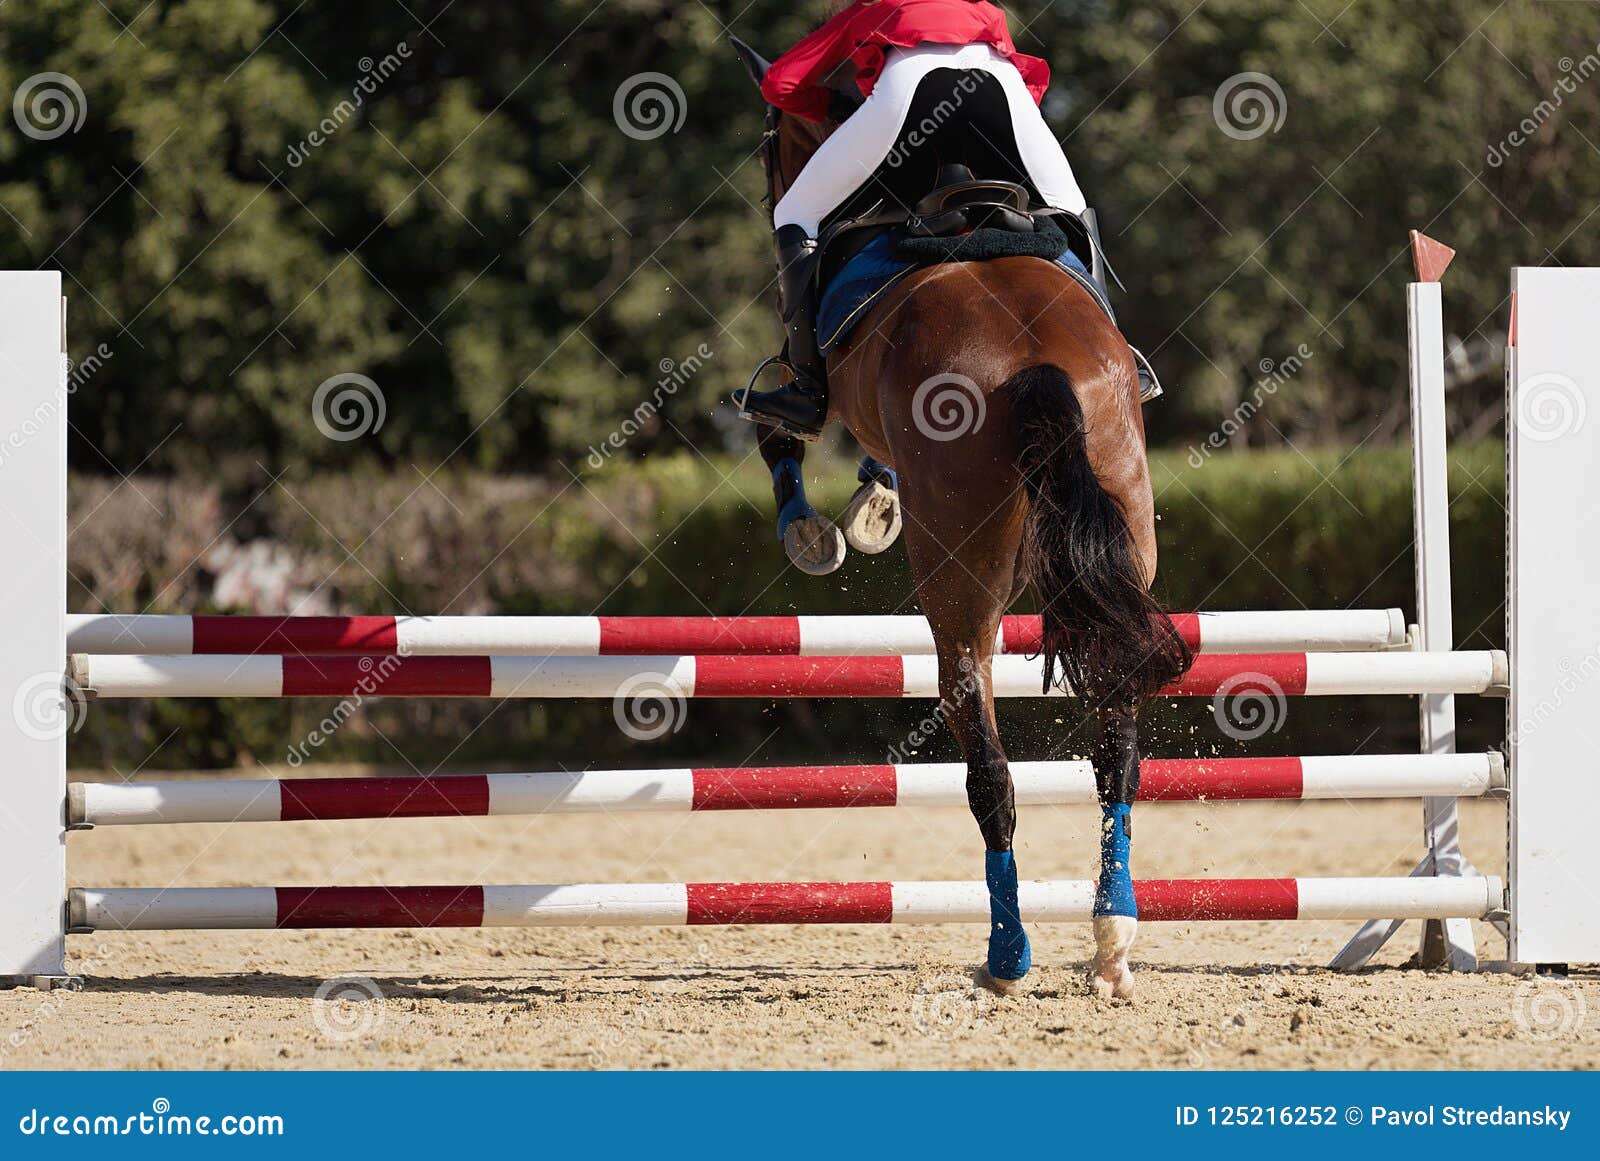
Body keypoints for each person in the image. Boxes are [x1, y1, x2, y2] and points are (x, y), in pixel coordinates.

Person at [739, 0, 1159, 440]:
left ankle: (806, 388)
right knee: (1072, 208)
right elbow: (1032, 85)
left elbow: (778, 84)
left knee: (794, 213)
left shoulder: (873, 7)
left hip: (908, 89)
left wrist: (839, 108)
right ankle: (1121, 358)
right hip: (1001, 88)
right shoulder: (982, 7)